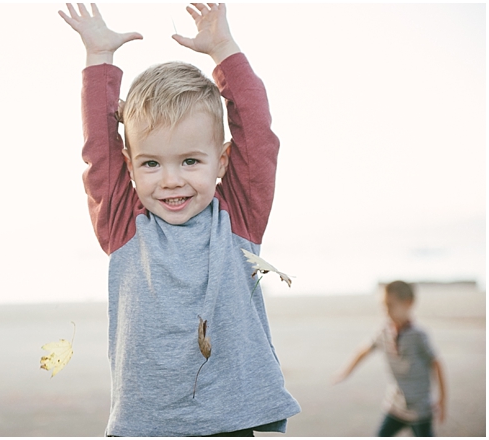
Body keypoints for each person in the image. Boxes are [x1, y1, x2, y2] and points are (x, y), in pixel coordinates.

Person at [58, 3, 300, 436]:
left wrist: (224, 49)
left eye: (190, 160)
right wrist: (99, 60)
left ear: (222, 160)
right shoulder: (124, 225)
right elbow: (99, 150)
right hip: (149, 425)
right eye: (151, 163)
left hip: (238, 419)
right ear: (129, 165)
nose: (171, 181)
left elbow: (259, 137)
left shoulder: (238, 217)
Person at [334, 281, 446, 436]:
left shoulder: (418, 335)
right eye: (383, 306)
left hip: (420, 410)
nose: (385, 311)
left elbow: (436, 364)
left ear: (408, 303)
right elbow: (364, 350)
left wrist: (442, 400)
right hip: (395, 406)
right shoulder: (383, 331)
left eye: (390, 305)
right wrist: (345, 372)